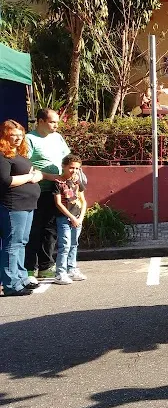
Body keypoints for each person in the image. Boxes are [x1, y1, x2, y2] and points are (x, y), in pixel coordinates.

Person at [25, 109, 71, 280]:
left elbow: (67, 158)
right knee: (34, 230)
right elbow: (25, 164)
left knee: (50, 231)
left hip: (56, 191)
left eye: (57, 122)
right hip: (37, 190)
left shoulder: (57, 138)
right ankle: (29, 268)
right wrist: (46, 175)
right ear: (41, 121)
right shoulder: (30, 139)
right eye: (52, 122)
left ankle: (45, 267)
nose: (56, 126)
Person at [0, 120, 44, 296]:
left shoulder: (19, 155)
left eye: (20, 135)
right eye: (13, 135)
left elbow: (34, 173)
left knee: (22, 242)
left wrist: (36, 175)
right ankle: (11, 284)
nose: (18, 138)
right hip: (13, 205)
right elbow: (6, 181)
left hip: (27, 204)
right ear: (4, 136)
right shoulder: (3, 156)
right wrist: (29, 177)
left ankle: (21, 277)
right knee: (12, 244)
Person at [52, 154, 87, 285]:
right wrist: (71, 217)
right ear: (64, 166)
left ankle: (72, 269)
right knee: (64, 245)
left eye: (77, 168)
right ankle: (60, 273)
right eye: (71, 168)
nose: (74, 171)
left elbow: (83, 201)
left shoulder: (77, 182)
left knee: (74, 244)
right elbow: (58, 203)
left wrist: (81, 218)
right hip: (64, 219)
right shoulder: (58, 183)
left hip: (77, 219)